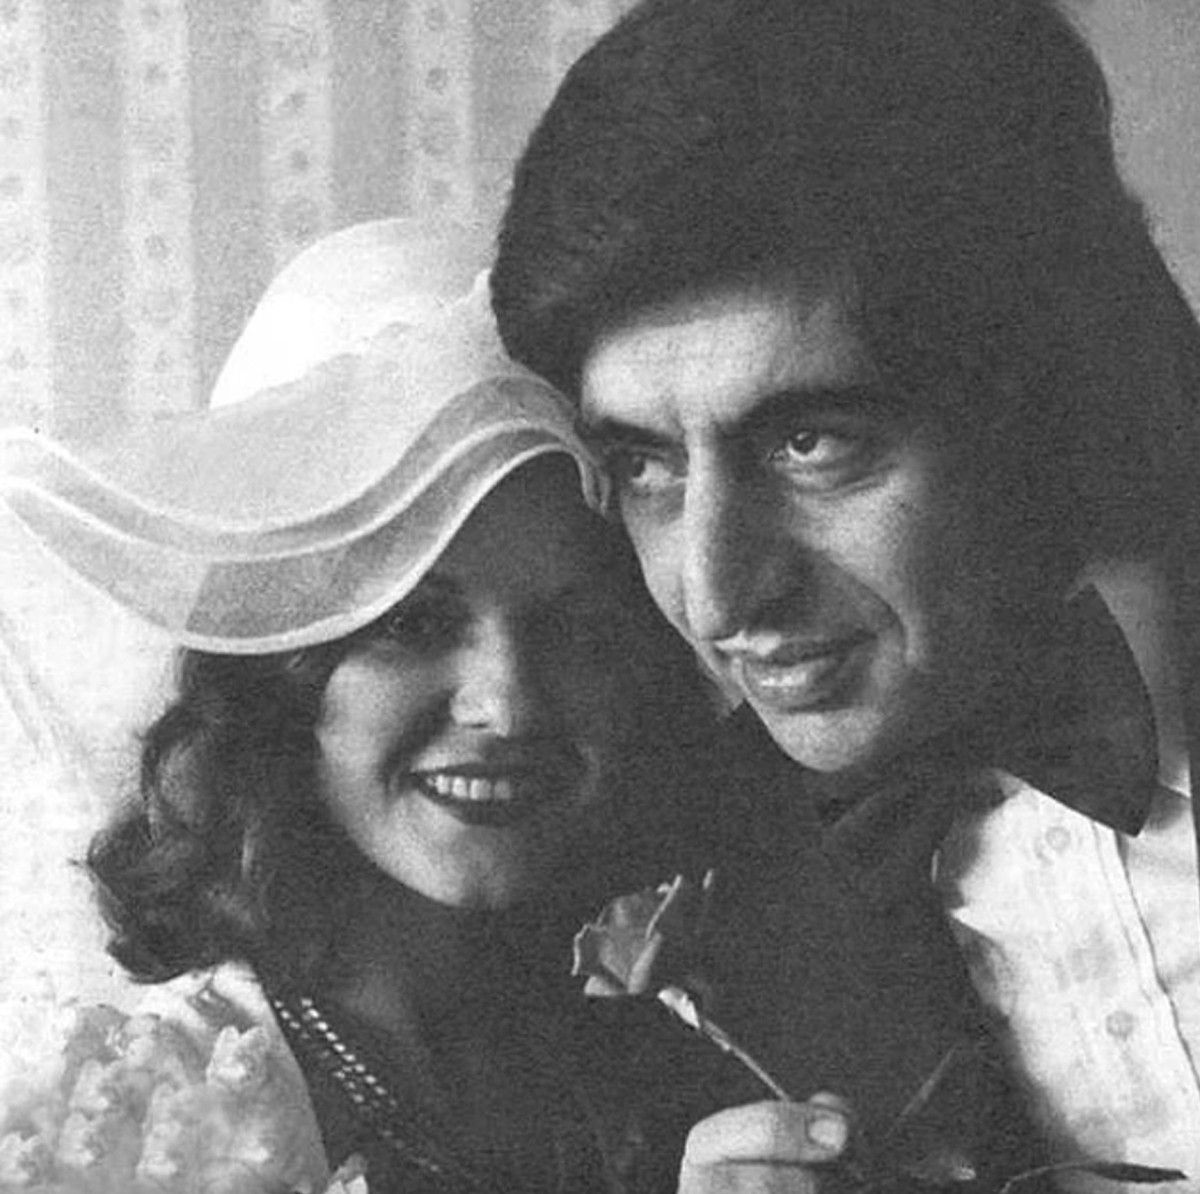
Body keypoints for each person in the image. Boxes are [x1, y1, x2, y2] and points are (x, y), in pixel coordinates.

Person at [491, 0, 1200, 1190]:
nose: (716, 594)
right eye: (646, 466)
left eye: (810, 443)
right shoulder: (692, 893)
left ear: (1037, 408)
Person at [0, 221, 727, 1193]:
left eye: (580, 626)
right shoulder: (148, 1113)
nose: (508, 704)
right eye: (414, 623)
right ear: (274, 670)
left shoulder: (671, 1047)